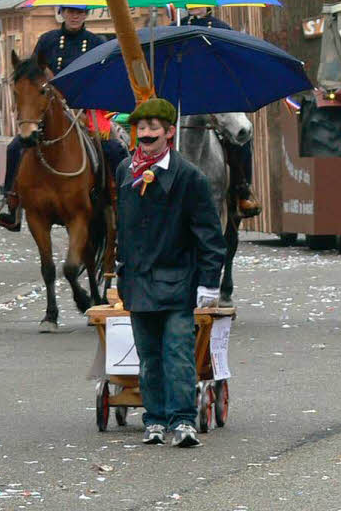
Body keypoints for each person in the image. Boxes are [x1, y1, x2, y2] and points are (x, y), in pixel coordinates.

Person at [114, 97, 226, 448]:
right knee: (148, 357)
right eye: (141, 128)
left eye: (153, 128)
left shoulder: (190, 177)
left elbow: (210, 234)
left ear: (169, 132)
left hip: (178, 280)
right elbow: (123, 226)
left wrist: (209, 282)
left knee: (177, 353)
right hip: (137, 282)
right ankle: (155, 420)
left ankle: (182, 421)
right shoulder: (124, 171)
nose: (145, 134)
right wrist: (119, 263)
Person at [0, 6, 127, 230]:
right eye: (70, 11)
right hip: (50, 109)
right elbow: (32, 73)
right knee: (14, 148)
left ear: (86, 15)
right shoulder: (48, 40)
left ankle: (117, 203)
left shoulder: (96, 42)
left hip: (84, 108)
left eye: (80, 12)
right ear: (62, 13)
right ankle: (12, 203)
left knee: (114, 149)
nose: (75, 16)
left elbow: (100, 77)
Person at [180, 7, 261, 218]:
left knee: (239, 139)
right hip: (181, 97)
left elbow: (232, 65)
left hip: (214, 95)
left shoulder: (221, 29)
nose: (195, 4)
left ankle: (243, 188)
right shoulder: (176, 29)